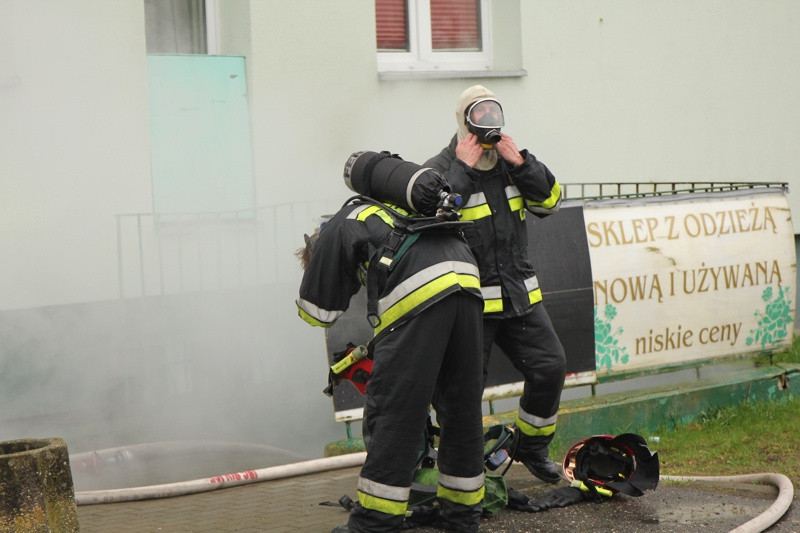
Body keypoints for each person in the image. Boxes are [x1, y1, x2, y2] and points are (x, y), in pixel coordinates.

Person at [296, 188, 486, 532]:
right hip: (468, 283)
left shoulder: (337, 231)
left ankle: (375, 522)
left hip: (423, 290)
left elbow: (319, 312)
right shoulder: (392, 213)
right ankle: (461, 515)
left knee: (394, 411)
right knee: (461, 406)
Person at [424, 85, 567, 484]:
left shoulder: (511, 163)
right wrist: (463, 171)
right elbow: (434, 219)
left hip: (519, 297)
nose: (488, 127)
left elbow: (550, 202)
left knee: (550, 367)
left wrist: (521, 163)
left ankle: (532, 449)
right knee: (461, 395)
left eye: (493, 116)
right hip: (469, 307)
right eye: (479, 117)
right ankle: (462, 473)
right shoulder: (439, 169)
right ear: (463, 122)